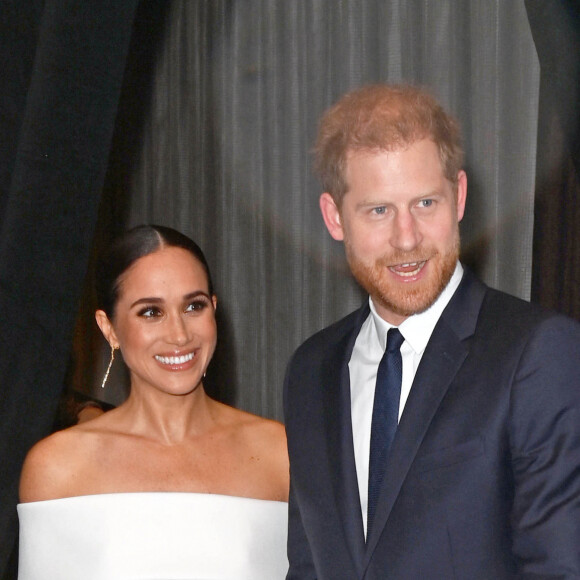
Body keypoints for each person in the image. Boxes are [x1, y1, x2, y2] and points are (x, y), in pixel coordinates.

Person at [283, 84, 580, 579]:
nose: (407, 237)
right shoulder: (310, 371)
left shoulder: (538, 353)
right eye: (379, 210)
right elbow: (309, 567)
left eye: (425, 203)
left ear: (459, 196)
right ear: (335, 217)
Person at [18, 225, 289, 580]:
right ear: (109, 328)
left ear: (214, 310)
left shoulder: (280, 453)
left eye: (194, 306)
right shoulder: (58, 466)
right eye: (150, 312)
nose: (179, 335)